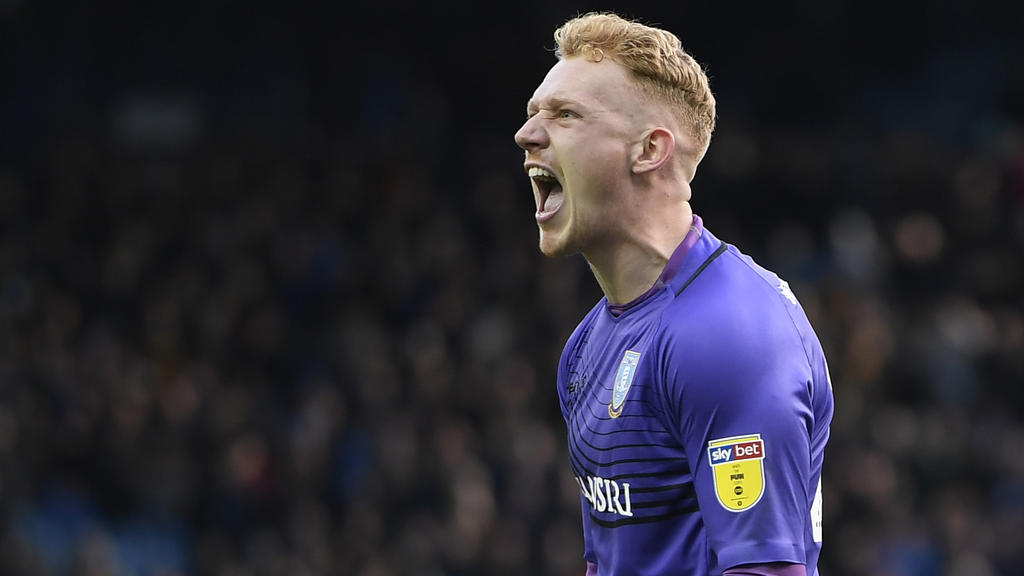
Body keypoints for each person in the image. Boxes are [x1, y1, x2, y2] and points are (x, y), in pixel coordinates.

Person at [513, 12, 834, 576]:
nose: (527, 134)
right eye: (533, 113)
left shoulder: (728, 333)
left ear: (648, 150)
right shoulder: (586, 348)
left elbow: (764, 570)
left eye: (565, 115)